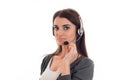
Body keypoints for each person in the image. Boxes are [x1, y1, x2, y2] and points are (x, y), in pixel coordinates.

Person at [39, 8, 94, 80]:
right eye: (56, 28)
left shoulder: (85, 65)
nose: (59, 33)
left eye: (66, 28)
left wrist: (66, 62)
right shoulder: (47, 60)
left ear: (78, 32)